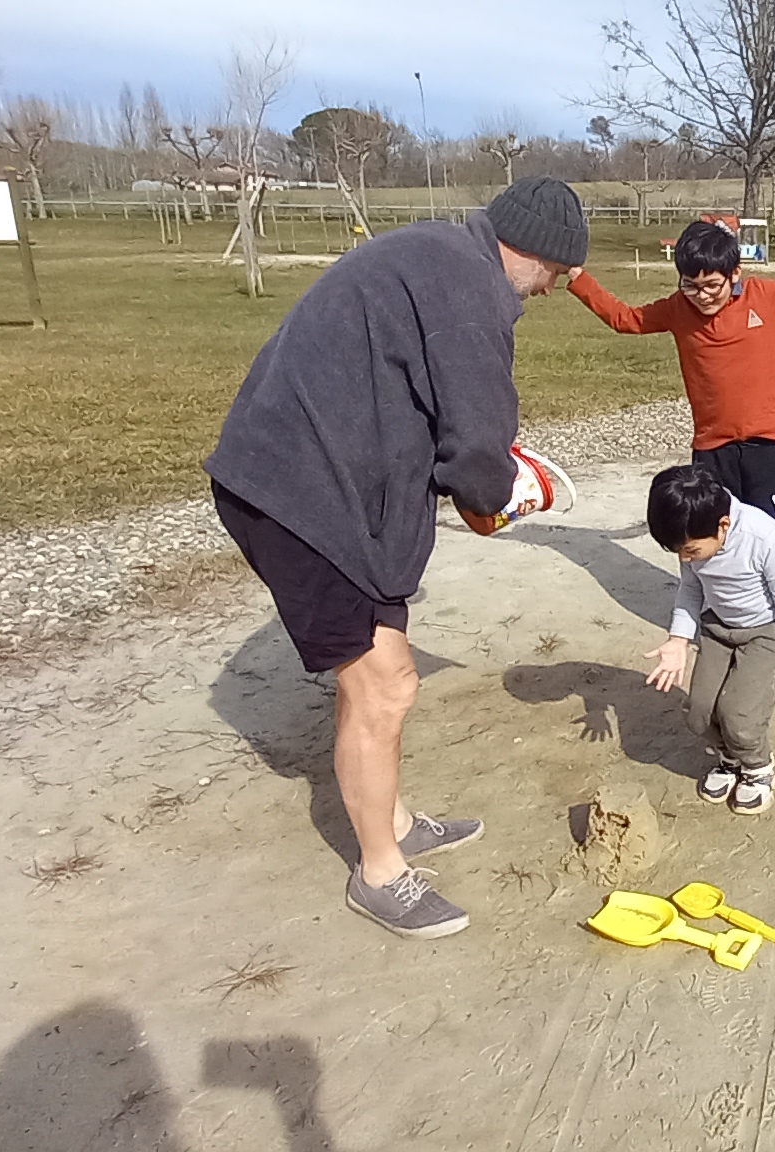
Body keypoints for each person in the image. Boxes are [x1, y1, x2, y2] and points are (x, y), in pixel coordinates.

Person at [204, 176, 589, 940]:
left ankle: (396, 822)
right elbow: (477, 448)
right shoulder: (472, 295)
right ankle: (379, 874)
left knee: (385, 667)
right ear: (539, 254)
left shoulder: (439, 253)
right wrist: (501, 498)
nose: (551, 291)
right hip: (297, 496)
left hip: (324, 485)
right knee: (385, 686)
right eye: (558, 274)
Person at [568, 216, 775, 679]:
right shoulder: (676, 309)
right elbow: (623, 319)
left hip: (765, 446)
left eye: (711, 285)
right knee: (714, 539)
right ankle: (728, 622)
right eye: (690, 285)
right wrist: (576, 276)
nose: (701, 296)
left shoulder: (763, 297)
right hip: (711, 449)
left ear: (735, 274)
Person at [641, 465, 775, 814]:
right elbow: (690, 590)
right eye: (678, 551)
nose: (684, 558)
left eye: (690, 551)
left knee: (738, 717)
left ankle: (759, 767)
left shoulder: (765, 538)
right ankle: (730, 759)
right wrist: (678, 640)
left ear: (723, 525)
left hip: (764, 633)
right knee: (698, 713)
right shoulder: (691, 532)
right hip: (717, 627)